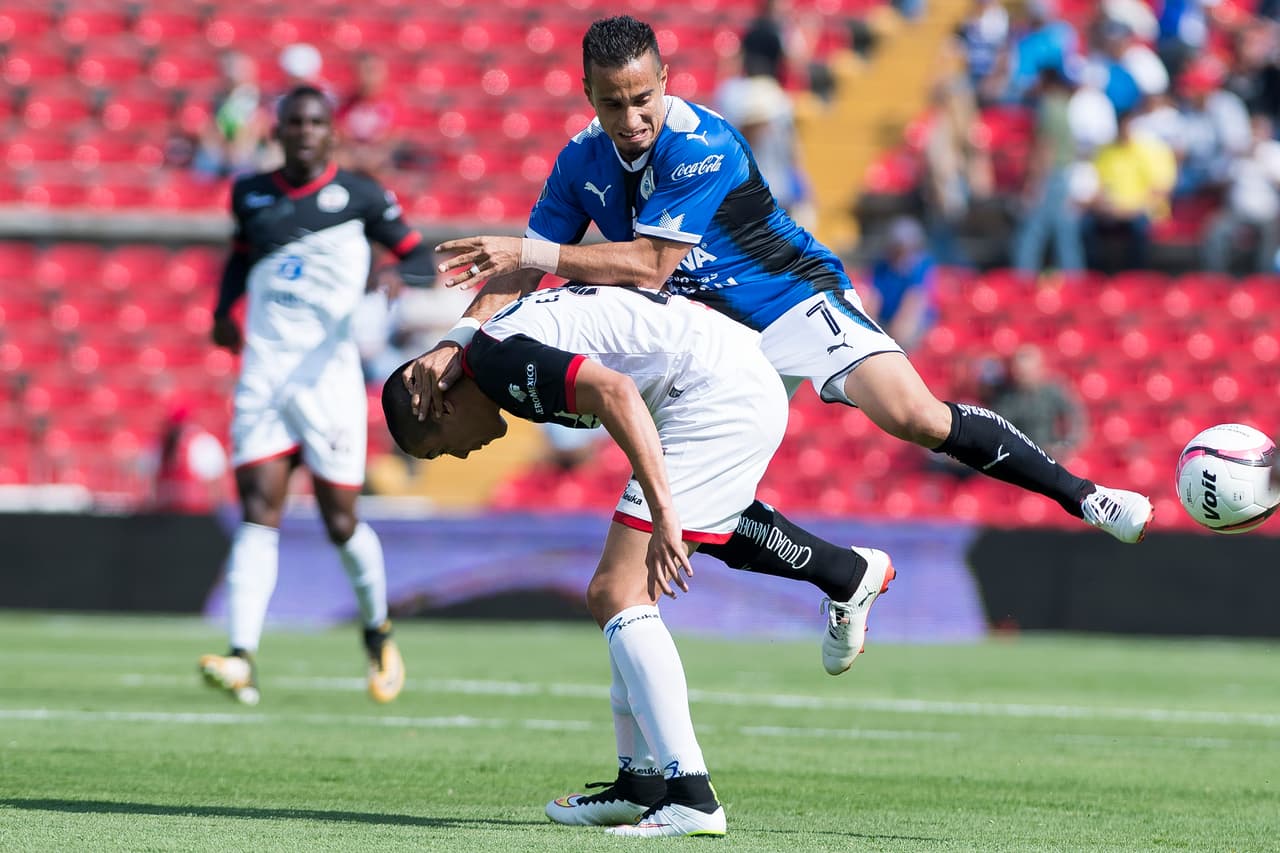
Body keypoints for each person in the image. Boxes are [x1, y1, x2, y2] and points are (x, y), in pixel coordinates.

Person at [407, 15, 1154, 545]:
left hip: (792, 300)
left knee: (914, 417)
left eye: (643, 98)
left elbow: (648, 262)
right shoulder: (580, 163)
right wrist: (455, 339)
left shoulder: (701, 142)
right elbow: (517, 271)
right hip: (709, 338)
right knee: (702, 506)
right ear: (588, 95)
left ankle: (1086, 497)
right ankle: (846, 579)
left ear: (664, 79)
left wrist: (532, 256)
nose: (632, 117)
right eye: (613, 103)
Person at [383, 283, 896, 837]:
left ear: (439, 403)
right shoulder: (490, 357)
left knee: (617, 593)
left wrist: (662, 506)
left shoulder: (497, 361)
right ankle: (642, 785)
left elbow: (617, 391)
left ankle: (690, 798)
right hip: (712, 385)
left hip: (715, 394)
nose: (458, 455)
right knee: (632, 585)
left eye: (440, 446)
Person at [198, 86, 434, 706]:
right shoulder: (250, 193)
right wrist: (224, 310)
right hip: (264, 376)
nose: (304, 131)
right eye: (294, 122)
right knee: (258, 510)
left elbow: (419, 261)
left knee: (339, 521)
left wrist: (386, 275)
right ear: (277, 132)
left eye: (316, 122)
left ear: (332, 133)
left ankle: (378, 632)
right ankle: (241, 655)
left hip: (328, 380)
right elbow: (240, 256)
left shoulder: (359, 195)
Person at [1080, 106, 1177, 272]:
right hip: (1111, 212)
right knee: (1085, 226)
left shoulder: (1152, 150)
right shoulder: (1106, 151)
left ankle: (1135, 276)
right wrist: (1100, 205)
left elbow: (1160, 189)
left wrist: (1130, 209)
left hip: (1143, 211)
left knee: (1137, 228)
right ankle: (1095, 278)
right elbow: (1097, 186)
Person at [1013, 65, 1085, 274]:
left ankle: (1022, 281)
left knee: (1031, 233)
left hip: (1051, 175)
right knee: (1065, 233)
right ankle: (1074, 281)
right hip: (1063, 174)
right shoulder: (1064, 104)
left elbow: (1046, 147)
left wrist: (1034, 182)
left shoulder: (1050, 106)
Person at [986, 344, 1088, 461]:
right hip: (1018, 455)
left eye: (1027, 372)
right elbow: (997, 426)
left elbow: (1075, 418)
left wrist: (1065, 445)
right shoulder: (1005, 397)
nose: (1022, 376)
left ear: (1040, 368)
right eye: (1019, 372)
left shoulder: (1054, 390)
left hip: (1050, 454)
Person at [862, 216, 937, 352]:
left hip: (916, 327)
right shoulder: (882, 266)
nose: (899, 251)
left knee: (906, 333)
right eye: (896, 246)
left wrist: (894, 336)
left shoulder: (921, 266)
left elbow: (914, 303)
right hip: (885, 323)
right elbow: (873, 299)